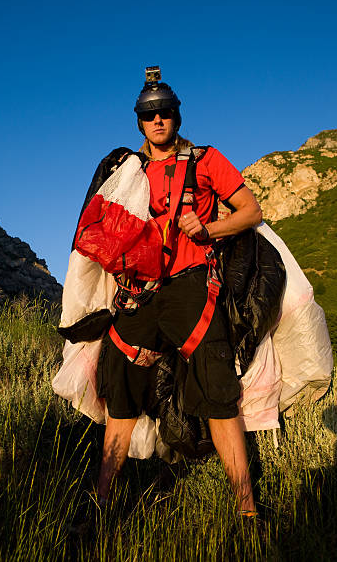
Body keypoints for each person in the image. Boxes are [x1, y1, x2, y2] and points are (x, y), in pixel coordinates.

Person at [90, 68, 263, 515]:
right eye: (150, 116)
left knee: (219, 390)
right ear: (140, 123)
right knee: (120, 388)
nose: (158, 121)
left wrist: (210, 228)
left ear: (177, 116)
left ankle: (247, 512)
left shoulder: (206, 160)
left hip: (192, 285)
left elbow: (250, 210)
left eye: (165, 112)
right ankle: (101, 506)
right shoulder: (127, 170)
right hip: (141, 291)